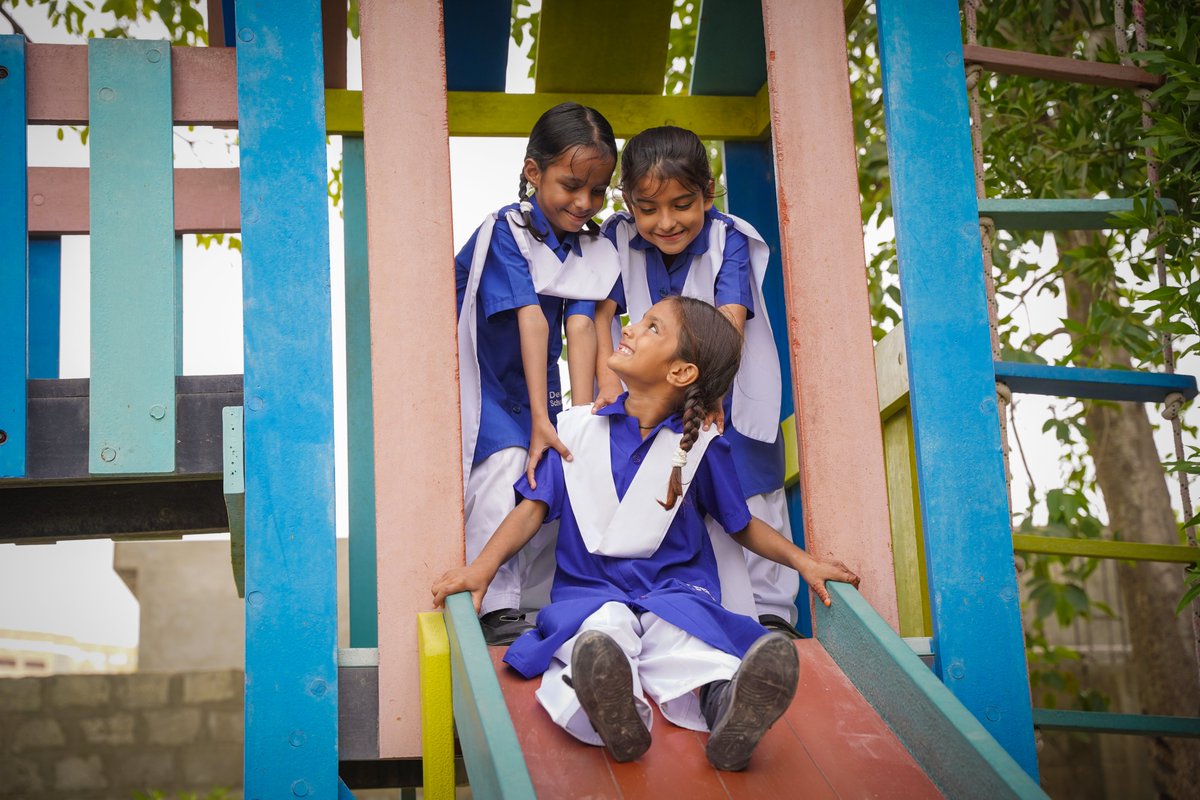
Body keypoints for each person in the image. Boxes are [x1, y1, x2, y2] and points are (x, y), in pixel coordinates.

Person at [433, 296, 859, 770]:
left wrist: (805, 562)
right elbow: (532, 510)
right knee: (600, 634)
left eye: (653, 328)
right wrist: (481, 571)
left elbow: (742, 525)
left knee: (687, 638)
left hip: (675, 591)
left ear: (680, 373)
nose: (631, 328)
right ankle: (616, 717)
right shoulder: (574, 430)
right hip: (591, 592)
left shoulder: (699, 449)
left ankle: (730, 710)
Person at [595, 125, 799, 637]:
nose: (666, 222)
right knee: (671, 496)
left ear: (708, 195)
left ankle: (773, 615)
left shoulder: (728, 236)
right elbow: (601, 314)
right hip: (653, 392)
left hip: (724, 384)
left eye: (682, 205)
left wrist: (710, 390)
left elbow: (729, 317)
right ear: (627, 202)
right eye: (648, 209)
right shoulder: (614, 239)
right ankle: (697, 609)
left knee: (750, 486)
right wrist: (605, 385)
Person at [456, 102, 620, 645]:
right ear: (533, 172)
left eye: (597, 192)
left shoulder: (588, 243)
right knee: (506, 465)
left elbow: (582, 327)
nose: (584, 203)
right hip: (486, 387)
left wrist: (578, 416)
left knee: (560, 472)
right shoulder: (507, 228)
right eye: (571, 185)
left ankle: (536, 605)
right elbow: (530, 318)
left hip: (536, 395)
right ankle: (493, 604)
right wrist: (537, 422)